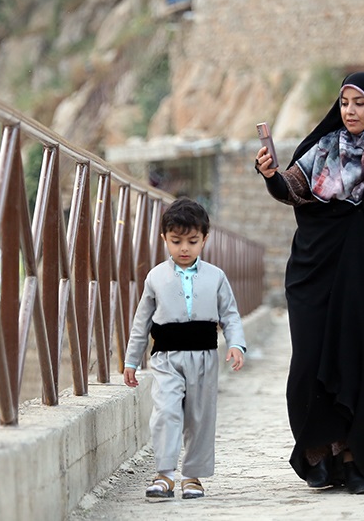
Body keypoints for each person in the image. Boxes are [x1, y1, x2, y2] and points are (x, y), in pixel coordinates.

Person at [255, 71, 364, 494]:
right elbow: (293, 188)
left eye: (359, 103)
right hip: (315, 273)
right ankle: (317, 451)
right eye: (344, 102)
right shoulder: (323, 148)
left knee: (361, 362)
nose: (349, 111)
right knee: (310, 360)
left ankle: (355, 457)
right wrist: (272, 175)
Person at [123, 197, 247, 501]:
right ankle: (164, 475)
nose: (184, 248)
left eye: (192, 241)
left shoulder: (216, 277)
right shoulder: (155, 277)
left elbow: (230, 314)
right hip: (165, 358)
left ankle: (192, 476)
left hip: (205, 358)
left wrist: (236, 344)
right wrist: (131, 360)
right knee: (165, 412)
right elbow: (142, 322)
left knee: (199, 417)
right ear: (164, 238)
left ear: (205, 239)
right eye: (176, 241)